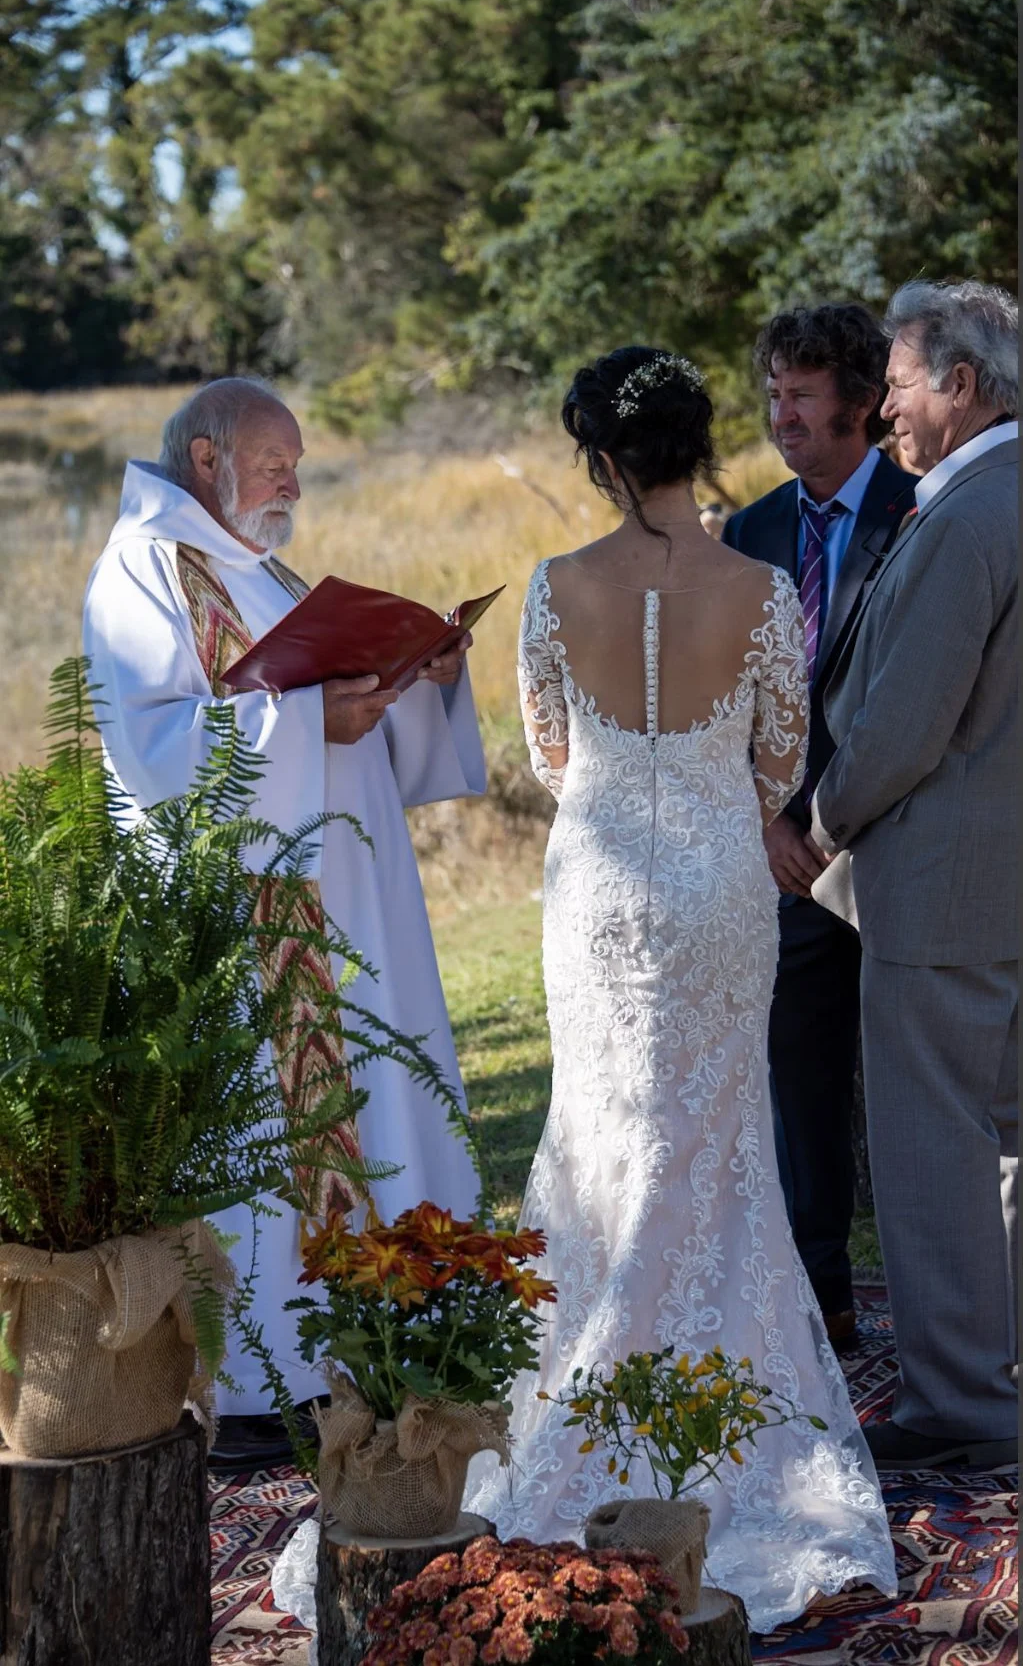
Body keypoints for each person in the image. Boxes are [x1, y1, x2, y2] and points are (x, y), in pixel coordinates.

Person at [464, 347, 896, 1633]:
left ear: (600, 460)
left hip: (596, 894)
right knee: (713, 1138)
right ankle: (725, 1410)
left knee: (597, 1127)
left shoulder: (552, 587)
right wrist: (710, 800)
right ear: (698, 449)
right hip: (716, 891)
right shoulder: (761, 588)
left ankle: (580, 1406)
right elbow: (780, 754)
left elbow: (550, 755)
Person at [82, 378, 485, 1460]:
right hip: (250, 920)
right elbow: (156, 753)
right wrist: (315, 717)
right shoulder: (145, 570)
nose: (294, 484)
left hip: (343, 899)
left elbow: (319, 705)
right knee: (270, 1134)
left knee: (363, 1104)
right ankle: (270, 1378)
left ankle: (365, 1333)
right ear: (207, 457)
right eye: (277, 463)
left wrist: (417, 676)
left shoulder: (255, 570)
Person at [811, 280, 1018, 1470]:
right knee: (1011, 1139)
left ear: (964, 386)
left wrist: (821, 826)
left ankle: (959, 1407)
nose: (884, 406)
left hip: (942, 885)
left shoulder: (974, 512)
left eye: (895, 383)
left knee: (933, 1147)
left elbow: (903, 725)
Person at [722, 306, 917, 1351]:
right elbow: (733, 708)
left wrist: (843, 820)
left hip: (899, 848)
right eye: (773, 392)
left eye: (801, 392)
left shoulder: (925, 512)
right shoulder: (749, 533)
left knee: (913, 1091)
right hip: (783, 861)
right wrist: (769, 831)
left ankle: (952, 1302)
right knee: (797, 1085)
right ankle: (824, 1299)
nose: (780, 413)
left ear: (857, 401)